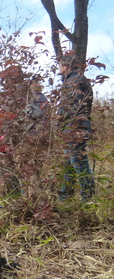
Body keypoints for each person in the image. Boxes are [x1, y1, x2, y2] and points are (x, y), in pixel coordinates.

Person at [57, 52, 95, 201]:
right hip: (73, 126)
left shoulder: (75, 81)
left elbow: (72, 106)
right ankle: (65, 197)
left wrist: (62, 120)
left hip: (75, 126)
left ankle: (88, 197)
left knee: (78, 161)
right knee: (69, 162)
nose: (58, 69)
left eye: (60, 65)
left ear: (66, 65)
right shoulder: (73, 80)